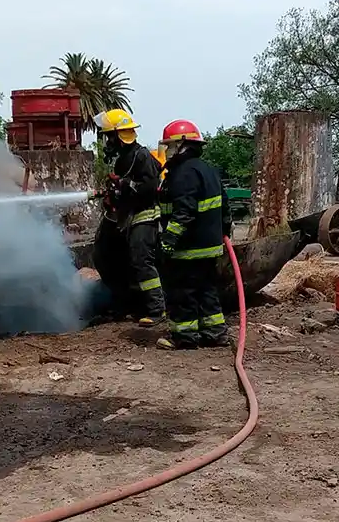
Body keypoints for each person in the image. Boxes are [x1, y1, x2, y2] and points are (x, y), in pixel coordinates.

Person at [155, 119, 232, 350]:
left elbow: (184, 212)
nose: (168, 151)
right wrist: (224, 232)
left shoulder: (183, 173)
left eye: (170, 146)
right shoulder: (207, 169)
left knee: (182, 293)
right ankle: (215, 334)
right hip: (209, 247)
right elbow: (225, 206)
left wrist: (168, 241)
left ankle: (185, 337)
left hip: (188, 248)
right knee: (207, 290)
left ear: (182, 145)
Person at [90, 108, 165, 325]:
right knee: (107, 256)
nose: (107, 142)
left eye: (109, 137)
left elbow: (149, 187)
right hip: (127, 220)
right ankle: (125, 305)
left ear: (119, 136)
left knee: (142, 261)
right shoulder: (123, 160)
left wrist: (124, 184)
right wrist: (114, 196)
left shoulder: (141, 156)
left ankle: (156, 309)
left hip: (145, 218)